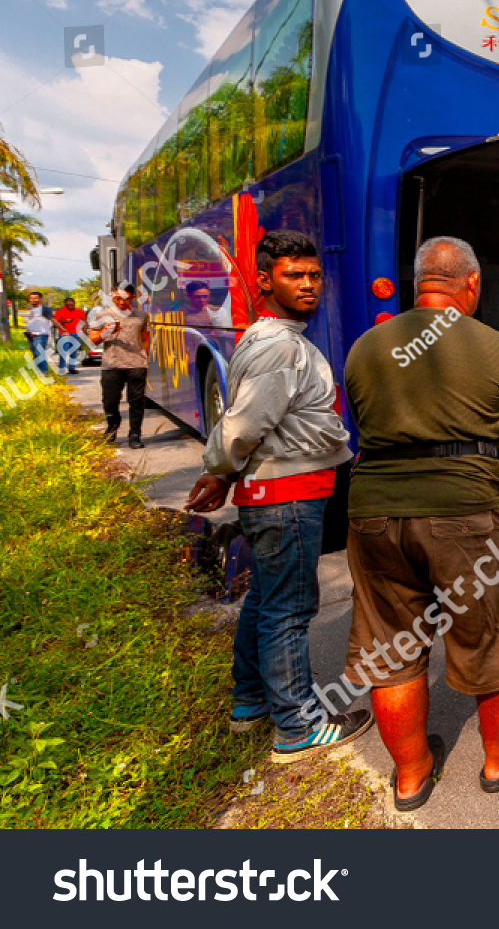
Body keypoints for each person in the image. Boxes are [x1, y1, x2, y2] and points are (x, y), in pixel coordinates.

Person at [341, 236, 499, 811]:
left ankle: (411, 775)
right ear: (470, 284)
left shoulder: (367, 346)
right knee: (489, 638)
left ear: (418, 282)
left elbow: (361, 423)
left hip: (373, 513)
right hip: (465, 514)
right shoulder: (495, 347)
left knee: (391, 644)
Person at [184, 230, 370, 763]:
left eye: (313, 275)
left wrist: (224, 472)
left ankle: (251, 701)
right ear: (265, 280)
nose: (309, 284)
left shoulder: (270, 336)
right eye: (295, 275)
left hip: (280, 490)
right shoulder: (281, 347)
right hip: (287, 495)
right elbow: (242, 424)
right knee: (289, 610)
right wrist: (218, 469)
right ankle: (298, 724)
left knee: (266, 600)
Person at [92, 285, 150, 448]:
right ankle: (112, 427)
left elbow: (145, 339)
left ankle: (135, 435)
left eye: (126, 299)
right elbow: (92, 340)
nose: (121, 302)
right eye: (118, 298)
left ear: (133, 297)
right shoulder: (102, 315)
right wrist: (106, 332)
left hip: (136, 364)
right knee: (110, 401)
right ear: (111, 297)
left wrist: (146, 358)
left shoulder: (142, 315)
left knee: (137, 401)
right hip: (111, 364)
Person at [52, 296, 87, 374]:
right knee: (63, 351)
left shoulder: (79, 312)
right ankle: (62, 368)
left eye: (72, 305)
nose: (70, 306)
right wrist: (64, 321)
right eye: (68, 305)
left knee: (74, 352)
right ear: (65, 304)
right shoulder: (59, 312)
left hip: (76, 334)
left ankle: (72, 368)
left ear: (74, 304)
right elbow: (55, 325)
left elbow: (84, 322)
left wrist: (82, 332)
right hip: (64, 334)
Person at [23, 291, 53, 376]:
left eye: (35, 298)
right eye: (31, 298)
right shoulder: (32, 310)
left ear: (40, 299)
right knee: (35, 354)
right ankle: (38, 373)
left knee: (40, 353)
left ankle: (44, 373)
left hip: (41, 335)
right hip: (31, 335)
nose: (33, 300)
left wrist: (63, 329)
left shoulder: (44, 309)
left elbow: (52, 319)